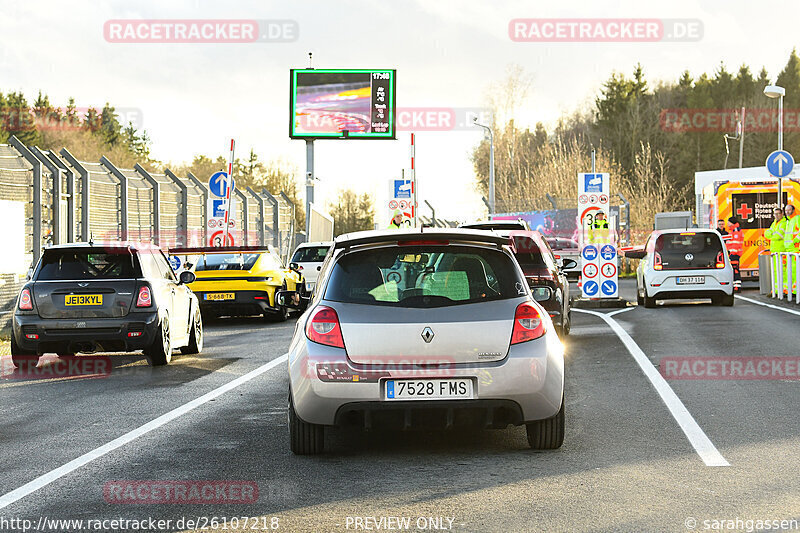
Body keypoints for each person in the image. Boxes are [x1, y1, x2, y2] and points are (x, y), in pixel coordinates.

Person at [725, 216, 743, 292]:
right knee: (734, 270)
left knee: (735, 270)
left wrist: (732, 253)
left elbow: (736, 244)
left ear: (731, 222)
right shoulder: (732, 231)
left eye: (728, 222)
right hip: (732, 254)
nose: (727, 223)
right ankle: (735, 285)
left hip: (734, 254)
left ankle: (737, 286)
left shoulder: (736, 232)